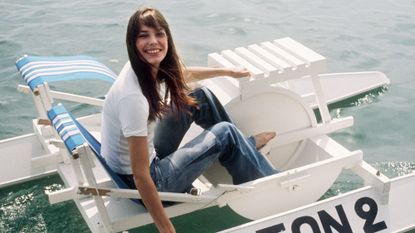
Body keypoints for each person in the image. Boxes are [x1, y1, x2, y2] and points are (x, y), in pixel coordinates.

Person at [101, 7, 277, 233]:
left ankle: (245, 147)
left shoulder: (140, 65)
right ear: (132, 42)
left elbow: (181, 74)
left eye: (159, 34)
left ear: (167, 37)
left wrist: (227, 71)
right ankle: (266, 182)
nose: (153, 41)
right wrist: (167, 229)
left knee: (200, 96)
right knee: (225, 132)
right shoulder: (133, 99)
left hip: (148, 156)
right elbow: (141, 176)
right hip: (150, 182)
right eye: (144, 35)